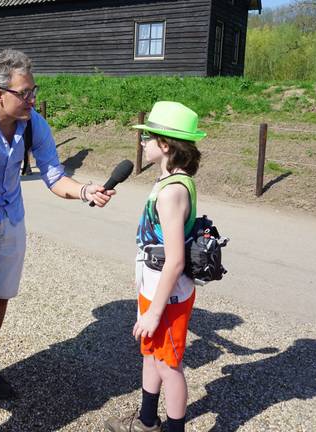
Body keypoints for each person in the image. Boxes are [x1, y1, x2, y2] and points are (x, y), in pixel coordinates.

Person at [0, 49, 116, 421]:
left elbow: (53, 175)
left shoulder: (34, 122)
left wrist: (85, 191)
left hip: (12, 220)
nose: (32, 99)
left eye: (33, 90)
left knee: (1, 296)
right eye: (25, 93)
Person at [104, 101, 206, 432]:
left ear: (165, 145)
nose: (143, 142)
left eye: (148, 137)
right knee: (151, 355)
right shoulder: (169, 180)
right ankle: (147, 421)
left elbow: (175, 260)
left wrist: (153, 312)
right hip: (154, 289)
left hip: (169, 296)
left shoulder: (172, 192)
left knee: (168, 366)